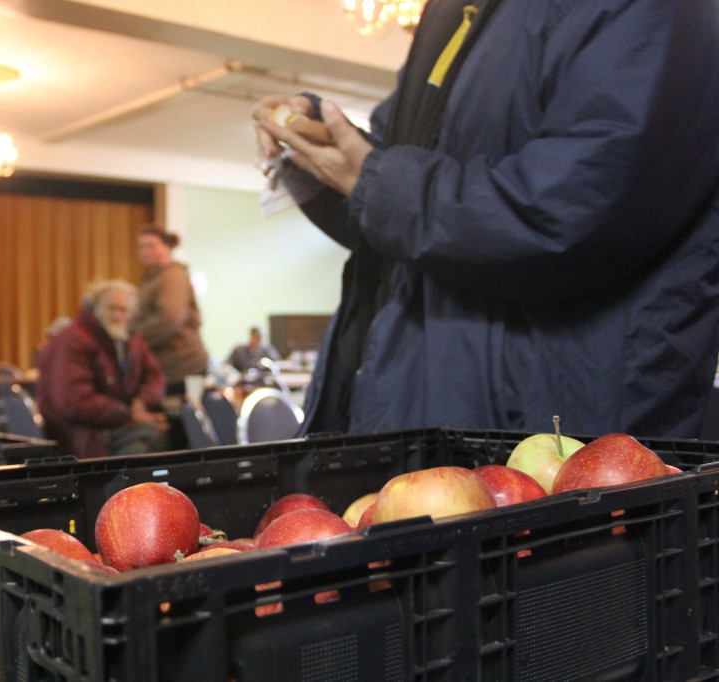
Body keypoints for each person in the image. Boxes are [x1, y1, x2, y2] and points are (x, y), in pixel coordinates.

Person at [253, 1, 719, 439]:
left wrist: (375, 182)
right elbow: (394, 222)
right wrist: (316, 152)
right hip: (422, 402)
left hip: (555, 428)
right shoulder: (450, 12)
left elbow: (574, 214)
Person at [37, 280, 169, 458]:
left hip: (110, 426)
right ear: (96, 308)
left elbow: (156, 376)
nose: (117, 315)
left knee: (170, 427)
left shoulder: (131, 339)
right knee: (149, 433)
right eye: (112, 308)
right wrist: (130, 414)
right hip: (81, 436)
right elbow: (76, 402)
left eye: (123, 310)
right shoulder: (73, 340)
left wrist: (142, 400)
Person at [131, 224, 209, 395]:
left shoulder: (172, 276)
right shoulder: (154, 276)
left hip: (181, 365)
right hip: (167, 365)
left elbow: (170, 318)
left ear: (167, 248)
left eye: (151, 246)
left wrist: (134, 339)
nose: (145, 251)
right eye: (141, 246)